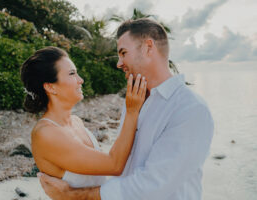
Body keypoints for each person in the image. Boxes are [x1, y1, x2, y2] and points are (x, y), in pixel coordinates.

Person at [38, 18, 214, 200]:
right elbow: (123, 168)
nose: (119, 63)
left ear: (148, 47)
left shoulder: (190, 109)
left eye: (123, 53)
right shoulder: (134, 101)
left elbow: (153, 185)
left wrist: (73, 196)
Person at [20, 46, 147, 188]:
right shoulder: (46, 133)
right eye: (72, 74)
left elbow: (100, 175)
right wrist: (132, 111)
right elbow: (115, 165)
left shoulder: (76, 122)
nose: (80, 80)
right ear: (50, 87)